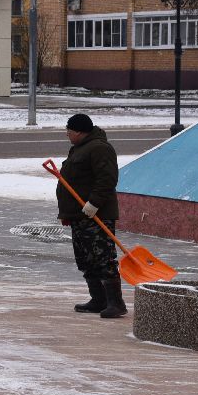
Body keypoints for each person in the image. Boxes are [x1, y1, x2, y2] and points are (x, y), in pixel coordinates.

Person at [58, 112, 126, 319]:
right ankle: (98, 299)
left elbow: (107, 179)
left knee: (102, 258)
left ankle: (116, 303)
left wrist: (94, 204)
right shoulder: (79, 149)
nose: (67, 134)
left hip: (96, 215)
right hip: (80, 216)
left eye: (69, 130)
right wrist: (68, 213)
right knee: (86, 259)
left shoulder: (99, 148)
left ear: (79, 131)